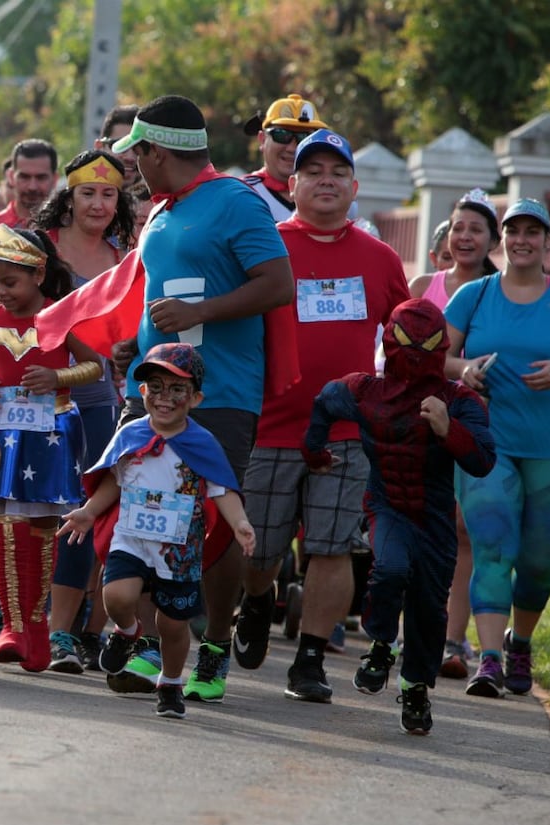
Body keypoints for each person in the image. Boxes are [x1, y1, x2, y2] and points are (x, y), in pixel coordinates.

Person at [110, 94, 294, 703]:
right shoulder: (162, 212)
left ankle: (214, 641)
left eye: (138, 152)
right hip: (152, 390)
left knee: (211, 522)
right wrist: (133, 347)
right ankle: (150, 647)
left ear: (159, 152)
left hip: (220, 394)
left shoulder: (236, 203)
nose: (134, 164)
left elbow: (278, 284)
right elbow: (156, 297)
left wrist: (200, 312)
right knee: (143, 511)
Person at [234, 129, 410, 704]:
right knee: (258, 551)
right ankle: (258, 599)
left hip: (345, 432)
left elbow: (406, 342)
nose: (326, 180)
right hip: (270, 426)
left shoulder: (380, 258)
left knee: (331, 548)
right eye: (314, 172)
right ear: (292, 186)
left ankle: (309, 661)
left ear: (354, 187)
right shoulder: (266, 247)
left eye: (338, 172)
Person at [305, 298, 495, 733]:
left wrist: (449, 429)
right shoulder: (364, 391)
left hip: (434, 516)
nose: (413, 355)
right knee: (389, 569)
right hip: (387, 503)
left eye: (423, 345)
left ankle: (415, 689)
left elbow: (483, 460)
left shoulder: (458, 399)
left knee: (429, 608)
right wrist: (313, 452)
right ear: (390, 342)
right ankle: (380, 644)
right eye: (407, 343)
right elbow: (324, 403)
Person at [445, 198, 550, 698]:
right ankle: (488, 660)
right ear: (501, 239)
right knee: (491, 545)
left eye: (534, 232)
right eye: (514, 231)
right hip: (490, 444)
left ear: (547, 241)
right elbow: (433, 356)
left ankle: (520, 642)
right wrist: (463, 370)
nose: (522, 240)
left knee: (535, 564)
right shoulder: (475, 295)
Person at [59, 342, 255, 719]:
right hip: (131, 537)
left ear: (195, 397)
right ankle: (128, 630)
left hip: (178, 548)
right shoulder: (131, 435)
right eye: (156, 387)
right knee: (117, 596)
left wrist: (240, 522)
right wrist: (88, 511)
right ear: (143, 392)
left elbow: (221, 489)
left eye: (177, 389)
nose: (165, 398)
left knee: (172, 624)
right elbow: (113, 481)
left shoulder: (201, 443)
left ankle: (170, 682)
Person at [0, 225, 102, 672]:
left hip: (50, 434)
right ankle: (13, 625)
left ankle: (36, 628)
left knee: (41, 530)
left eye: (10, 282)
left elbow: (94, 368)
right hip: (5, 436)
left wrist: (56, 378)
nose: (1, 291)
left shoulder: (61, 316)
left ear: (39, 274)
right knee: (6, 527)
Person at [31, 149, 134, 674]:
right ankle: (15, 605)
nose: (98, 203)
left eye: (109, 194)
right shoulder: (40, 249)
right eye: (88, 192)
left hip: (98, 401)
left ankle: (71, 633)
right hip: (29, 400)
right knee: (31, 510)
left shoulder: (126, 258)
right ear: (67, 197)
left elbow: (133, 330)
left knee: (89, 511)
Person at [409, 188, 501, 679]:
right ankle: (408, 632)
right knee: (416, 523)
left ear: (492, 240)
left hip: (473, 425)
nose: (466, 237)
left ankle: (451, 641)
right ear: (448, 232)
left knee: (463, 532)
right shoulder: (425, 284)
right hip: (417, 421)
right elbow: (398, 350)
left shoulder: (499, 290)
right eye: (459, 227)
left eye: (477, 229)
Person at [242, 94, 328, 222]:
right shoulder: (242, 193)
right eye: (282, 135)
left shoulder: (330, 194)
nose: (292, 148)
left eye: (304, 138)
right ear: (262, 140)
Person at [0, 139, 58, 229]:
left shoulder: (67, 229)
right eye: (24, 177)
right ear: (11, 177)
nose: (32, 187)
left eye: (41, 177)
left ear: (55, 179)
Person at [95, 104, 141, 189]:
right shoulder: (75, 198)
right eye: (120, 145)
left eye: (138, 149)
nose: (130, 158)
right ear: (100, 147)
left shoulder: (165, 201)